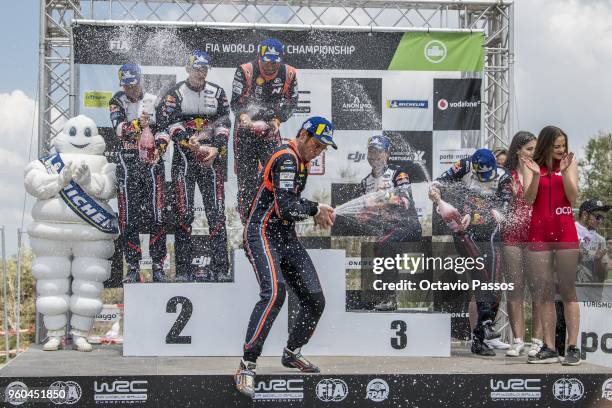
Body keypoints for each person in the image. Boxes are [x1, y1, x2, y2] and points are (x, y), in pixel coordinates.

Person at [234, 117, 336, 399]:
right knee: (274, 293)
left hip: (285, 236)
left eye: (324, 148)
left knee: (315, 300)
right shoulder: (287, 158)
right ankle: (247, 364)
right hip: (261, 233)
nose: (319, 151)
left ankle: (292, 353)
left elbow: (289, 211)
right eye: (317, 144)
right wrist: (315, 209)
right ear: (303, 134)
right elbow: (287, 207)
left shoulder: (302, 161)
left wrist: (312, 212)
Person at [25, 115, 117, 352]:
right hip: (51, 234)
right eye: (74, 131)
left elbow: (110, 187)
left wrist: (88, 181)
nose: (80, 137)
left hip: (91, 234)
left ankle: (80, 334)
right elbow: (33, 183)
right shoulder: (46, 163)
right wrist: (59, 179)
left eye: (87, 133)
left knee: (89, 285)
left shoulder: (107, 165)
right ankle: (54, 333)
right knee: (50, 284)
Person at [429, 148, 513, 356]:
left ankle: (480, 335)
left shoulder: (504, 177)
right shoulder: (464, 166)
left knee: (493, 282)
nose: (484, 178)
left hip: (491, 233)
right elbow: (438, 181)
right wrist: (435, 193)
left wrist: (484, 214)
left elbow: (504, 209)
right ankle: (484, 326)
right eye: (480, 175)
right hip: (464, 231)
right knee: (481, 275)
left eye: (488, 174)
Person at [156, 51, 231, 281]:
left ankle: (220, 269)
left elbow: (225, 122)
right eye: (197, 68)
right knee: (184, 213)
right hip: (185, 160)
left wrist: (216, 148)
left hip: (211, 160)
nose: (202, 72)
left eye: (205, 68)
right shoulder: (175, 93)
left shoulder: (217, 92)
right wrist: (188, 142)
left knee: (216, 214)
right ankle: (184, 271)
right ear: (188, 70)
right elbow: (169, 123)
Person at [522, 126, 581, 365]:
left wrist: (565, 172)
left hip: (566, 233)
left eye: (563, 146)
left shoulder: (569, 163)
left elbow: (573, 195)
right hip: (539, 234)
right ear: (546, 145)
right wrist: (536, 175)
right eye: (556, 146)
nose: (560, 150)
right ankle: (548, 346)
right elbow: (528, 198)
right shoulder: (531, 166)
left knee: (567, 289)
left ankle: (573, 346)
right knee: (543, 292)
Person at [110, 63, 168, 283]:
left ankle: (158, 266)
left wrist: (159, 147)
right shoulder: (116, 100)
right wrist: (136, 124)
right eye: (126, 86)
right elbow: (118, 129)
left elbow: (165, 129)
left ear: (140, 81)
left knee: (157, 215)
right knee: (128, 218)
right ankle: (133, 266)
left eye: (133, 85)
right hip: (128, 164)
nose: (130, 90)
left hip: (152, 164)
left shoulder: (154, 100)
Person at [231, 38, 299, 224]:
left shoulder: (290, 74)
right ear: (260, 57)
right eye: (266, 60)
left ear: (280, 59)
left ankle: (275, 216)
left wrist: (278, 119)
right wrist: (244, 117)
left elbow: (292, 103)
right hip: (245, 130)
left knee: (275, 172)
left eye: (274, 61)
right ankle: (247, 219)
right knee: (246, 178)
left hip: (270, 129)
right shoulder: (245, 70)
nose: (270, 65)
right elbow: (235, 102)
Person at [358, 135, 422, 311]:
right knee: (380, 247)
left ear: (387, 153)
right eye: (371, 151)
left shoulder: (398, 173)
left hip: (408, 226)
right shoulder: (365, 182)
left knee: (384, 244)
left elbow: (405, 200)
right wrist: (365, 213)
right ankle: (382, 297)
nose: (374, 155)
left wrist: (381, 197)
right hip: (387, 230)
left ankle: (389, 298)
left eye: (378, 151)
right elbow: (369, 212)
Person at [500, 131, 540, 357]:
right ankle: (517, 340)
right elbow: (499, 205)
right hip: (512, 237)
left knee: (537, 291)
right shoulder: (507, 175)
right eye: (528, 149)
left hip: (536, 236)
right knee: (515, 289)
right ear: (517, 150)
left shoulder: (541, 173)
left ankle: (536, 341)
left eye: (535, 149)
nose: (533, 154)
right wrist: (511, 196)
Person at [575, 199, 610, 283]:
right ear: (584, 215)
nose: (600, 221)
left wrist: (598, 261)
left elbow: (602, 277)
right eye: (598, 217)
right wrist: (576, 257)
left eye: (602, 218)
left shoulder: (600, 240)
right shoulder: (568, 233)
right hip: (569, 291)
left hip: (592, 291)